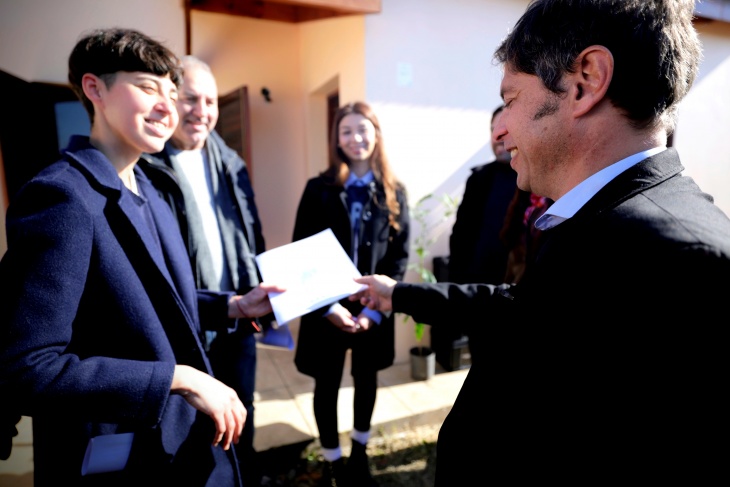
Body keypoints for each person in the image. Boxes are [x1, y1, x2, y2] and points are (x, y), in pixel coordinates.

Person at [351, 1, 730, 485]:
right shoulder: (600, 218)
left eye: (510, 100)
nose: (500, 128)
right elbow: (523, 311)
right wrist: (398, 294)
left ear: (586, 81)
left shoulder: (686, 262)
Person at [0, 28, 282, 486]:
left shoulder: (150, 188)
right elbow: (29, 368)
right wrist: (178, 378)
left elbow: (147, 302)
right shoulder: (61, 198)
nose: (168, 107)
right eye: (148, 88)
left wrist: (231, 306)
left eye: (171, 93)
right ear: (95, 89)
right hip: (119, 459)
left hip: (180, 450)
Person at [139, 55, 269, 487]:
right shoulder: (146, 168)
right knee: (194, 432)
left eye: (211, 101)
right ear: (171, 100)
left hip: (237, 321)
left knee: (241, 417)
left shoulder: (230, 162)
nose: (202, 111)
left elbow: (251, 233)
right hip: (184, 329)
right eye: (191, 99)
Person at [292, 101, 409, 487]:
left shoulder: (394, 192)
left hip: (372, 308)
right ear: (337, 139)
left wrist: (375, 311)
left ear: (376, 136)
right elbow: (301, 251)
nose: (355, 138)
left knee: (366, 378)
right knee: (326, 383)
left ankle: (360, 453)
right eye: (346, 131)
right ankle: (332, 461)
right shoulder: (319, 189)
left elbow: (399, 257)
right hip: (327, 309)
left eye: (363, 130)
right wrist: (328, 307)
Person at [437, 104, 516, 365]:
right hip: (479, 300)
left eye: (505, 126)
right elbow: (460, 238)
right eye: (493, 129)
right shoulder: (480, 178)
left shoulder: (539, 180)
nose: (497, 136)